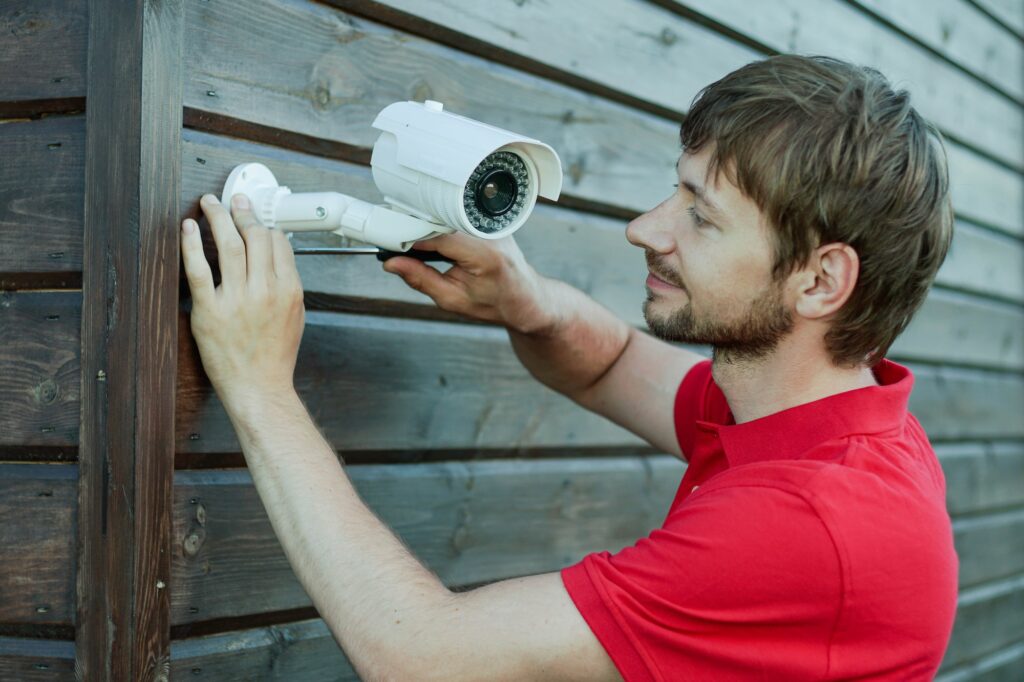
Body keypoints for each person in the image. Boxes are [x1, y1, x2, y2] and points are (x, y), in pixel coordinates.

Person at [179, 54, 958, 680]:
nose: (645, 229)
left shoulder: (813, 525)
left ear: (820, 280)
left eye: (700, 214)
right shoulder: (810, 420)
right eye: (673, 189)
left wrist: (260, 388)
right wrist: (531, 304)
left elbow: (421, 657)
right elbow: (611, 363)